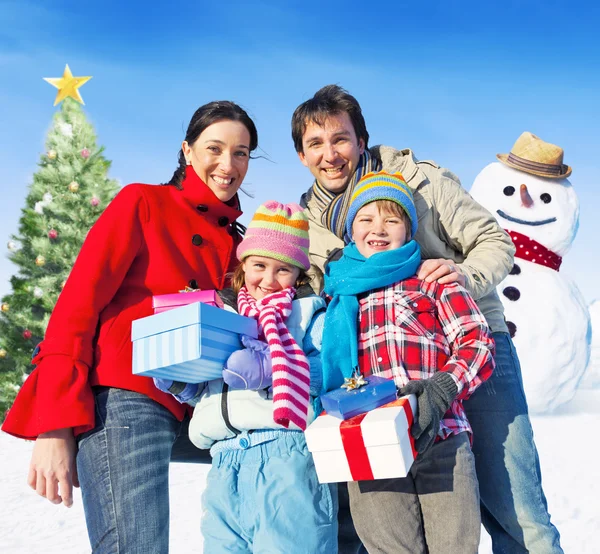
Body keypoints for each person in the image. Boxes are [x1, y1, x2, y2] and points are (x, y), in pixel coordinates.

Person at [292, 84, 563, 554]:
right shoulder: (305, 223)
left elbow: (495, 242)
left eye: (340, 139)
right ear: (301, 155)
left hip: (470, 343)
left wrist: (460, 274)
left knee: (514, 506)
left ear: (361, 140)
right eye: (315, 144)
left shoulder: (419, 181)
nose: (330, 155)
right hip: (383, 376)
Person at [2, 100, 258, 553]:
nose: (228, 164)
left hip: (198, 404)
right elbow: (78, 304)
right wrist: (55, 424)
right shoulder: (144, 202)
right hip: (129, 398)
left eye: (241, 153)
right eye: (214, 148)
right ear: (188, 151)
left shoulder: (239, 243)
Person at [321, 171, 495, 553]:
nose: (378, 228)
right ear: (351, 231)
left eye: (392, 219)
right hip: (369, 443)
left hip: (442, 436)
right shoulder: (337, 294)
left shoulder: (432, 279)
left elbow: (477, 342)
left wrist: (441, 389)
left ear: (409, 230)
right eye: (366, 219)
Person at [155, 201, 338, 553]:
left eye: (283, 270)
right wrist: (183, 383)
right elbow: (216, 388)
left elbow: (331, 371)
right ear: (243, 265)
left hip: (286, 459)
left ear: (297, 275)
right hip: (224, 463)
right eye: (259, 265)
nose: (268, 280)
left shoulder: (307, 315)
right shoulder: (220, 316)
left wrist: (273, 369)